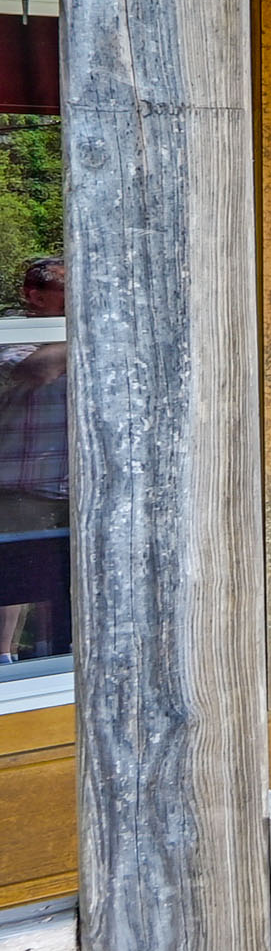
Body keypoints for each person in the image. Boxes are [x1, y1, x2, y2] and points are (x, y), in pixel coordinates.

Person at [0, 257, 66, 665]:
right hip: (18, 483)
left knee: (59, 578)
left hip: (71, 482)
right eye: (66, 291)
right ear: (35, 295)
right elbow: (36, 370)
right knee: (12, 579)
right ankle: (5, 663)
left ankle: (53, 656)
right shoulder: (13, 332)